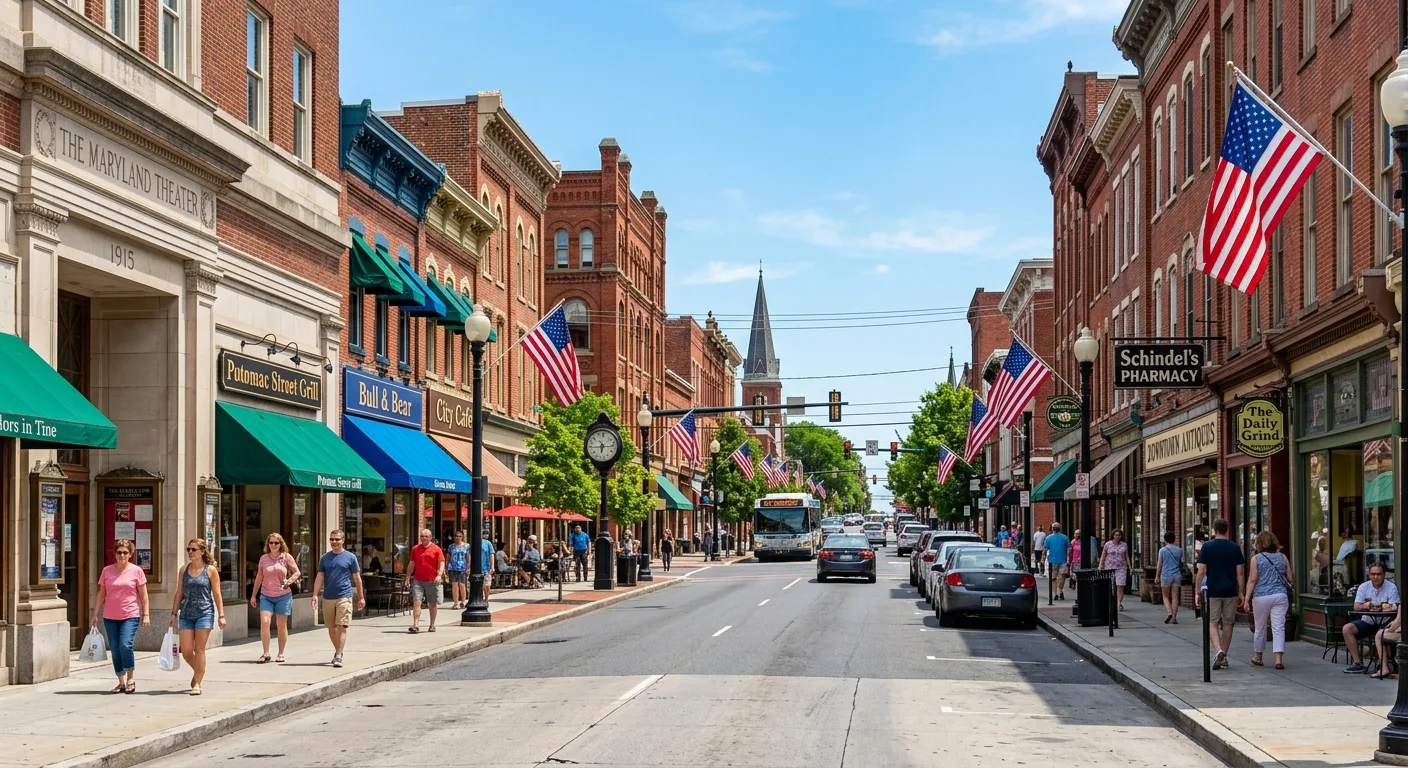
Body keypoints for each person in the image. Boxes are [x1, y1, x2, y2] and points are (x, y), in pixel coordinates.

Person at [91, 539, 149, 694]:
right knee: (115, 649)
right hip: (110, 616)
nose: (122, 555)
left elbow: (143, 595)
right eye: (119, 552)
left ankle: (131, 678)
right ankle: (121, 681)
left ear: (130, 554)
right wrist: (95, 613)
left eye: (125, 552)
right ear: (114, 554)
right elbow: (101, 594)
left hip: (130, 614)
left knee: (125, 645)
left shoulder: (137, 571)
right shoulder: (107, 571)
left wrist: (146, 615)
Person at [168, 538, 225, 695]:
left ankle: (197, 683)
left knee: (199, 649)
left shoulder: (210, 570)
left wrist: (221, 615)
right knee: (186, 650)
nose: (190, 553)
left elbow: (217, 594)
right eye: (188, 550)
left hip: (204, 613)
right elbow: (179, 593)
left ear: (202, 551)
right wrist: (173, 613)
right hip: (186, 613)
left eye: (193, 549)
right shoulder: (183, 570)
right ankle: (199, 671)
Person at [1195, 518, 1245, 671]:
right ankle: (1223, 656)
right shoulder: (1235, 547)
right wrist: (1241, 592)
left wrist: (1197, 590)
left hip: (1213, 590)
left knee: (1213, 622)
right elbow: (1240, 573)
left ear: (1214, 530)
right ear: (1227, 529)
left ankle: (1218, 651)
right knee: (1228, 623)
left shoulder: (1207, 547)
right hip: (1230, 590)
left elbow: (1202, 570)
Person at [311, 530, 365, 668]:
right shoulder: (325, 558)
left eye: (337, 539)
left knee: (342, 626)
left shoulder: (350, 557)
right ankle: (338, 651)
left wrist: (360, 597)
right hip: (328, 596)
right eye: (332, 539)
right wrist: (315, 595)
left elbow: (357, 578)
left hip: (344, 596)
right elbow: (320, 577)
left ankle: (339, 655)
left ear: (343, 540)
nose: (334, 542)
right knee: (331, 628)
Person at [249, 532, 300, 664]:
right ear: (268, 544)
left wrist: (289, 581)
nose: (273, 545)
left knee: (281, 625)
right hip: (266, 595)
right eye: (271, 543)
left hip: (283, 595)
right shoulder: (264, 558)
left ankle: (281, 653)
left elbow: (297, 572)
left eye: (276, 543)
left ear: (281, 544)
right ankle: (266, 653)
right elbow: (259, 576)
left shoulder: (286, 557)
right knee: (265, 622)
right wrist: (254, 595)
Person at [1244, 530, 1291, 670]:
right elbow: (1290, 577)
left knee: (1260, 627)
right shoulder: (1282, 557)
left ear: (1259, 543)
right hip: (1280, 595)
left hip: (1261, 596)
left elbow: (1252, 580)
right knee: (1279, 627)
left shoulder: (1256, 558)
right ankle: (1278, 659)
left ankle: (1258, 656)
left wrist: (1246, 598)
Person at [1343, 563, 1400, 673]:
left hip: (1385, 620)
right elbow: (1356, 606)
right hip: (1368, 621)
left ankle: (1384, 664)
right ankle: (1357, 663)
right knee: (1347, 628)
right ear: (1369, 575)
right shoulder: (1364, 586)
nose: (1376, 577)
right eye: (1373, 574)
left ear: (1384, 575)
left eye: (1379, 574)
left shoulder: (1391, 587)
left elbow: (1396, 606)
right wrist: (1364, 606)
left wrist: (1388, 607)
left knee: (1384, 633)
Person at [406, 529, 445, 633]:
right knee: (416, 601)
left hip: (432, 580)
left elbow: (441, 562)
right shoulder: (415, 549)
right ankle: (416, 624)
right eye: (422, 536)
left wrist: (439, 575)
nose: (424, 538)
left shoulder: (436, 549)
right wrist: (407, 577)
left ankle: (432, 624)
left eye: (426, 536)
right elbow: (411, 564)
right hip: (418, 579)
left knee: (432, 603)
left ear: (430, 537)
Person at [1098, 529, 1133, 611]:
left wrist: (1130, 567)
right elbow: (1103, 555)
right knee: (1111, 585)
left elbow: (1126, 556)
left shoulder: (1124, 545)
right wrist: (1100, 565)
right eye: (1116, 535)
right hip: (1110, 567)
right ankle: (1110, 602)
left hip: (1121, 567)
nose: (1117, 536)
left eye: (1119, 535)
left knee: (1120, 585)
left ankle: (1119, 603)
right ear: (1113, 535)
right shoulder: (1108, 544)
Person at [1157, 531, 1184, 624]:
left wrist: (1157, 576)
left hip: (1166, 575)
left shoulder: (1162, 550)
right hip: (1177, 575)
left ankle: (1169, 612)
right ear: (1174, 539)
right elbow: (1181, 563)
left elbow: (1159, 564)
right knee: (1175, 597)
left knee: (1165, 596)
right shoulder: (1179, 550)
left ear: (1165, 540)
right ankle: (1174, 618)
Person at [1372, 605, 1403, 680]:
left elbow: (1394, 627)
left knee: (1379, 634)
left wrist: (1390, 627)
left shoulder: (1403, 605)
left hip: (1404, 637)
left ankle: (1384, 668)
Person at [1044, 523, 1071, 601]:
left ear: (1052, 529)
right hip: (1063, 559)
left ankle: (1055, 593)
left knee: (1053, 578)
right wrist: (1069, 558)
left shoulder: (1048, 538)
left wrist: (1043, 559)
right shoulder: (1065, 537)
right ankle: (1061, 591)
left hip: (1052, 560)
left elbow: (1045, 550)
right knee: (1062, 576)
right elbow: (1069, 549)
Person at [446, 530, 469, 609]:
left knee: (462, 585)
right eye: (456, 536)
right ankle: (456, 603)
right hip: (453, 567)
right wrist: (446, 566)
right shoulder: (451, 546)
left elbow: (468, 557)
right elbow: (448, 556)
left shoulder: (466, 546)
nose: (458, 538)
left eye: (460, 536)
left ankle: (463, 601)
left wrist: (468, 567)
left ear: (462, 537)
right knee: (454, 585)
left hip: (462, 567)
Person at [479, 530, 495, 600]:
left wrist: (492, 566)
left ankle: (486, 599)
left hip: (486, 567)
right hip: (477, 568)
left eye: (486, 534)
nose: (485, 535)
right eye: (484, 534)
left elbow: (491, 554)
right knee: (479, 585)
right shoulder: (474, 542)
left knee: (487, 585)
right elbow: (469, 555)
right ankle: (480, 598)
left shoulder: (488, 543)